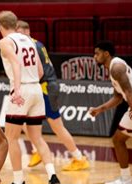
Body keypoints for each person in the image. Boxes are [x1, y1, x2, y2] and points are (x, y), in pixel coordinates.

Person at [0, 11, 61, 184]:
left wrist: (17, 89)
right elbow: (40, 71)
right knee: (37, 138)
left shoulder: (5, 42)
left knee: (11, 137)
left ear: (0, 26)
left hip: (22, 89)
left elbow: (16, 64)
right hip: (36, 89)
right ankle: (52, 176)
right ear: (16, 24)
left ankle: (18, 183)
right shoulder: (29, 40)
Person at [16, 20, 89, 171]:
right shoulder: (38, 43)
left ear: (23, 32)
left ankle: (78, 157)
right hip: (45, 87)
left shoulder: (29, 46)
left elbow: (38, 71)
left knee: (57, 126)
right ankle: (37, 151)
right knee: (24, 122)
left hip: (45, 88)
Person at [89, 41, 132, 184]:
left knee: (118, 140)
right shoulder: (114, 69)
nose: (94, 56)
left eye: (97, 53)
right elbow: (118, 97)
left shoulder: (116, 68)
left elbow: (129, 92)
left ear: (106, 53)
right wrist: (100, 109)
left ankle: (126, 180)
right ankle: (125, 179)